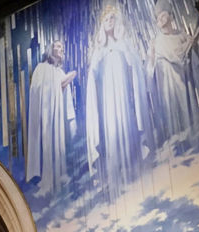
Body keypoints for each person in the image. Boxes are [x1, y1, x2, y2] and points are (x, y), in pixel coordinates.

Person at [86, 4, 151, 204]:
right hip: (107, 103)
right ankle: (115, 179)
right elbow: (92, 79)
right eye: (106, 20)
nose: (110, 22)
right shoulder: (99, 51)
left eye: (112, 19)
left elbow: (136, 69)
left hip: (124, 98)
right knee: (112, 134)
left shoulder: (124, 44)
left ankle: (133, 174)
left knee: (127, 128)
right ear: (102, 26)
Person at [26, 40, 77, 197]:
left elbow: (64, 94)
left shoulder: (60, 71)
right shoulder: (41, 68)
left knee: (59, 143)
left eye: (62, 47)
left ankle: (60, 174)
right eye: (57, 46)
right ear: (50, 49)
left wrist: (65, 81)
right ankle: (47, 180)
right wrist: (58, 84)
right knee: (47, 145)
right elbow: (36, 89)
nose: (60, 49)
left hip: (58, 116)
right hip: (46, 114)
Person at [147, 0, 199, 141]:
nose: (160, 18)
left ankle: (194, 137)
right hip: (169, 85)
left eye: (163, 15)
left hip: (185, 81)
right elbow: (176, 56)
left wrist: (192, 44)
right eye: (158, 17)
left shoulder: (181, 34)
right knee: (176, 114)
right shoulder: (158, 41)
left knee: (188, 110)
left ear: (171, 16)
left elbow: (191, 55)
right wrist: (187, 45)